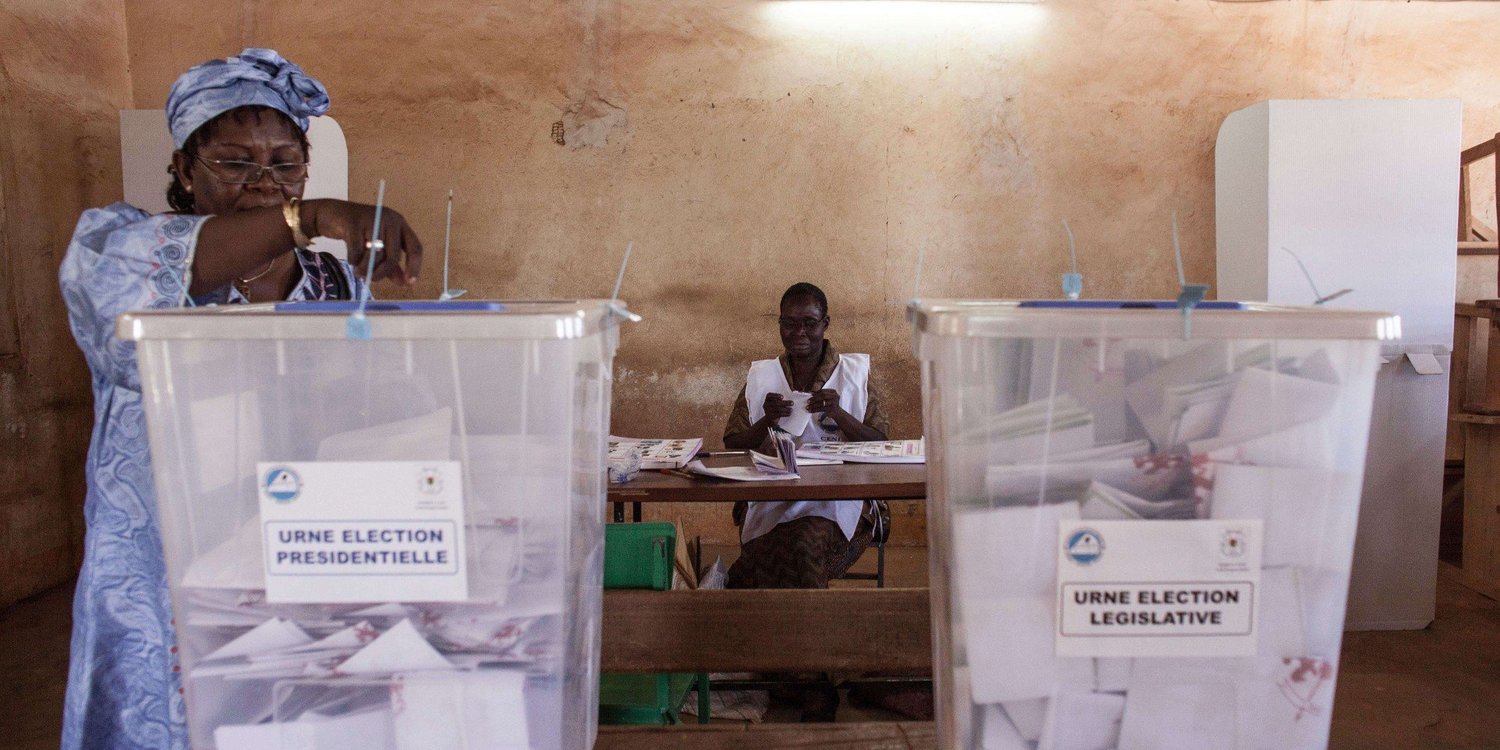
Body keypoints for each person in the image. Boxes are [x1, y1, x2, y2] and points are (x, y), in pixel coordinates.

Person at [57, 49, 422, 750]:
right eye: (234, 162)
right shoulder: (118, 247)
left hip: (296, 546)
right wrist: (306, 213)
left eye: (286, 166)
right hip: (162, 560)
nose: (264, 183)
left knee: (291, 717)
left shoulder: (332, 284)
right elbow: (146, 294)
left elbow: (375, 413)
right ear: (184, 168)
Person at [722, 281, 890, 589]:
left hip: (839, 498)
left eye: (809, 323)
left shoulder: (853, 374)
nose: (799, 332)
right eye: (789, 323)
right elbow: (732, 442)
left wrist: (838, 414)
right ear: (780, 325)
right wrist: (767, 421)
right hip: (776, 496)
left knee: (803, 543)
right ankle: (776, 627)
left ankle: (807, 627)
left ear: (825, 324)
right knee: (769, 548)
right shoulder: (763, 376)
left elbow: (880, 442)